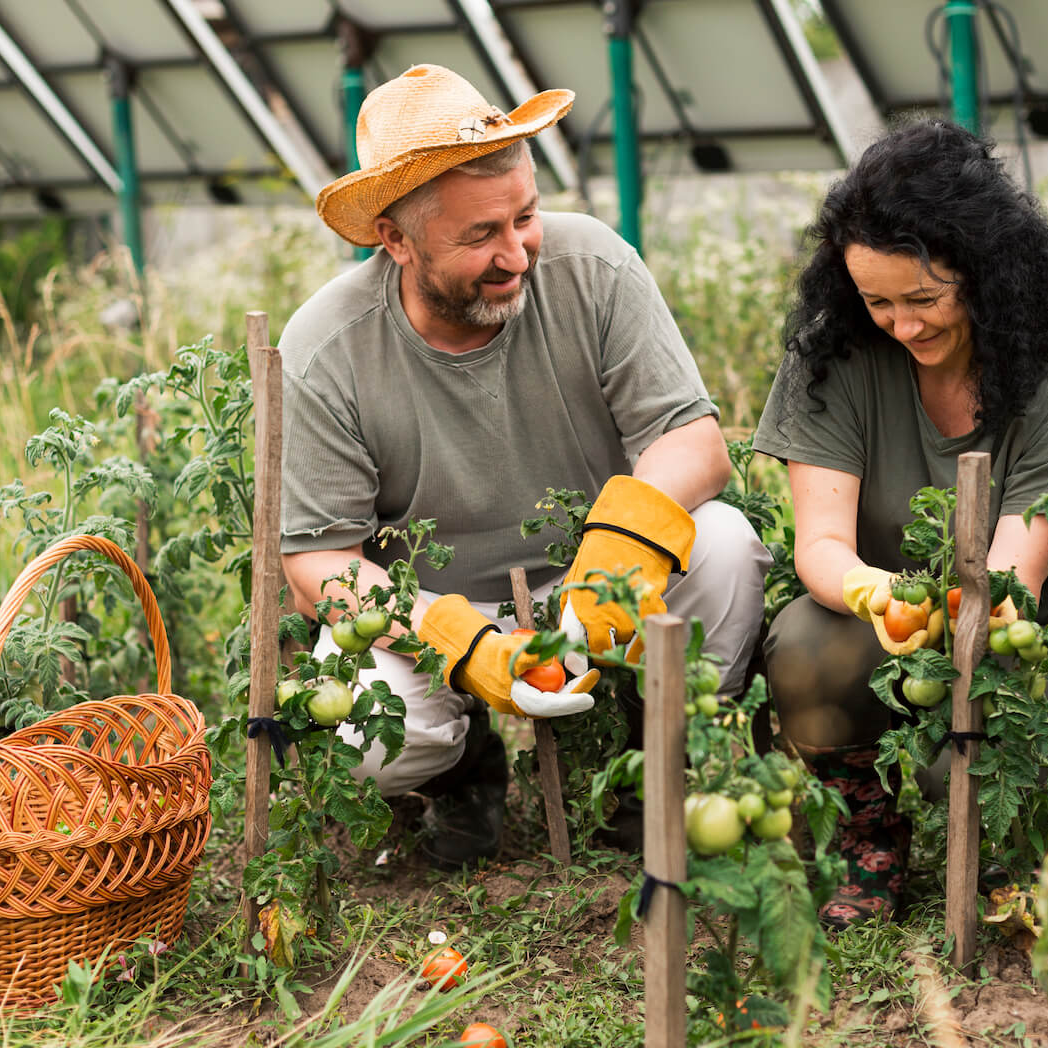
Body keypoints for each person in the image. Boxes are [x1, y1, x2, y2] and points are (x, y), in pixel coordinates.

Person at [277, 64, 771, 870]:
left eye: (527, 217)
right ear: (395, 241)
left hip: (592, 574)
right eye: (480, 237)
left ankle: (658, 762)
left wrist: (618, 551)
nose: (517, 254)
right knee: (359, 729)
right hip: (432, 607)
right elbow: (316, 565)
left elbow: (693, 443)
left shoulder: (592, 267)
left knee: (721, 544)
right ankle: (462, 765)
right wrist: (461, 643)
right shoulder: (327, 348)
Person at [751, 118, 1048, 927]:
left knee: (1027, 660)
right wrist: (880, 594)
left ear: (985, 275)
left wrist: (948, 611)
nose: (902, 324)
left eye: (923, 298)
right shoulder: (832, 362)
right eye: (876, 301)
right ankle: (867, 840)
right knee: (809, 640)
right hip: (884, 621)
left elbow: (1015, 577)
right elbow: (821, 547)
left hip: (1023, 623)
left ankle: (1012, 831)